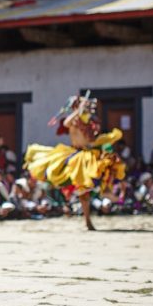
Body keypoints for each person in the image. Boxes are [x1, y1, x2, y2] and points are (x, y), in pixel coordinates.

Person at [24, 94, 125, 231]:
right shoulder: (73, 120)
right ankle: (86, 217)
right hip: (76, 156)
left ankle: (106, 198)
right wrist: (78, 111)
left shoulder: (88, 123)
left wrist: (106, 139)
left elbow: (91, 141)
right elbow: (65, 123)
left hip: (88, 156)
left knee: (102, 173)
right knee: (79, 186)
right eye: (84, 104)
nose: (87, 106)